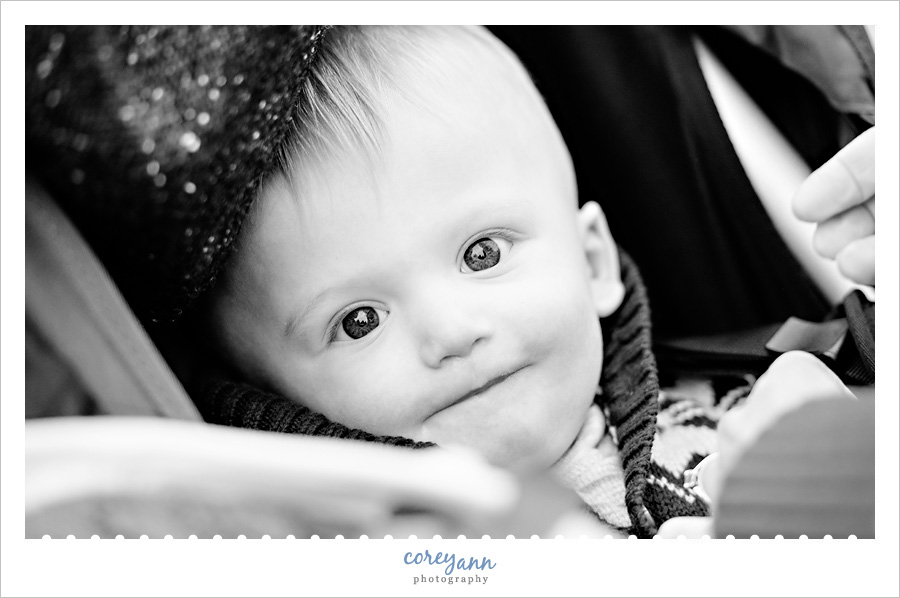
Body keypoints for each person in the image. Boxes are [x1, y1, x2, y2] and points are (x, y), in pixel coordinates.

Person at [24, 25, 873, 538]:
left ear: (592, 261)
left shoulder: (739, 400)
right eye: (358, 320)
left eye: (482, 254)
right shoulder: (408, 559)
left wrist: (835, 444)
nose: (450, 332)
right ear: (266, 396)